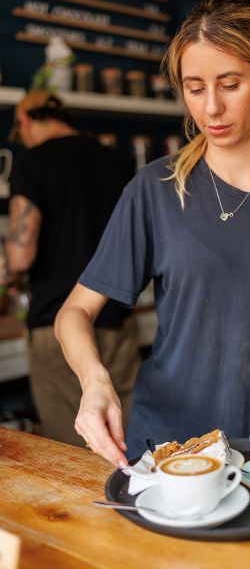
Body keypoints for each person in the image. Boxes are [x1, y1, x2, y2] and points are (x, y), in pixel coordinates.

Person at [55, 0, 250, 468]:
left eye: (230, 84)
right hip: (170, 454)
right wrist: (95, 382)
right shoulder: (156, 190)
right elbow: (74, 311)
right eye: (195, 88)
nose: (212, 108)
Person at [3, 90, 141, 447]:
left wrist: (9, 278)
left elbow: (20, 257)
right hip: (117, 320)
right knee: (129, 438)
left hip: (58, 327)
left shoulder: (31, 163)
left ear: (27, 121)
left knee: (76, 447)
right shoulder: (114, 160)